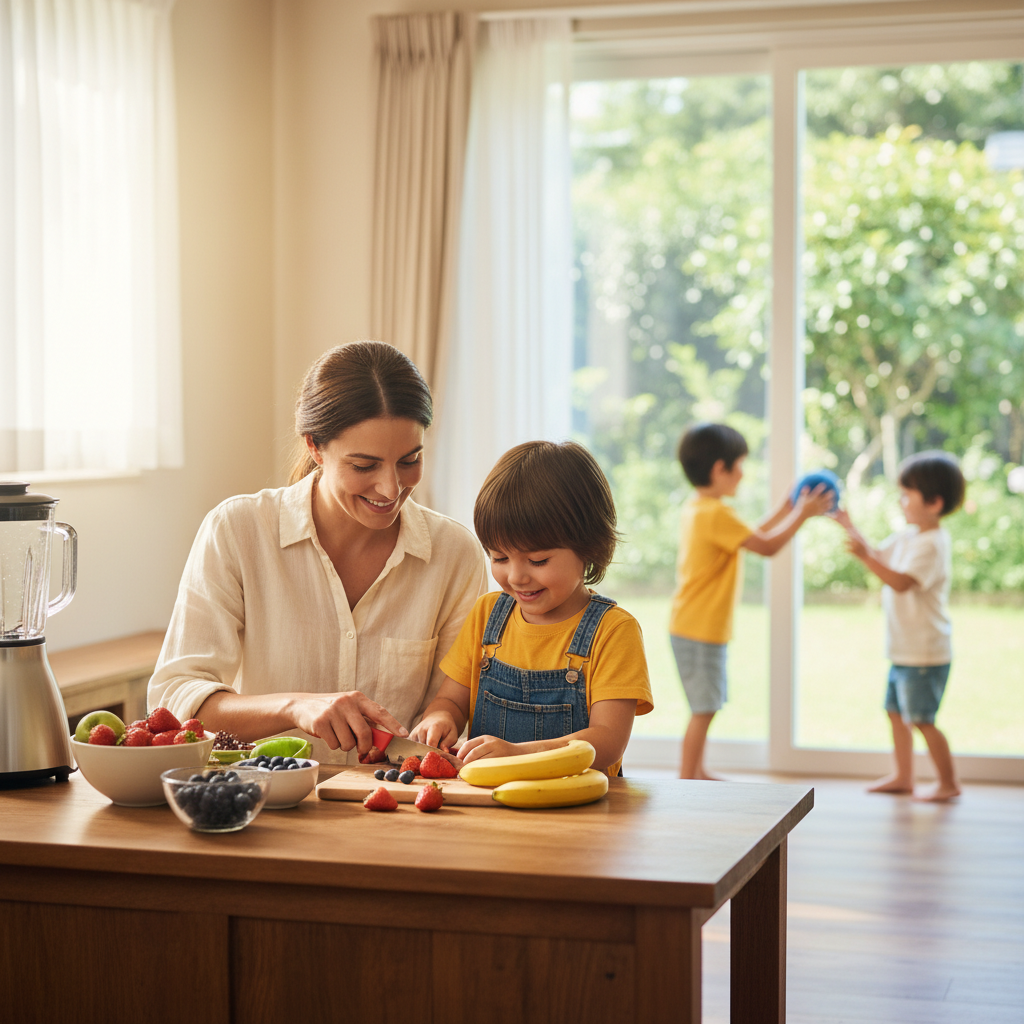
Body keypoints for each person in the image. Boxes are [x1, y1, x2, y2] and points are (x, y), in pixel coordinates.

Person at [148, 341, 490, 764]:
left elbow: (455, 701)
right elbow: (176, 697)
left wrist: (442, 719)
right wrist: (295, 707)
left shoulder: (455, 555)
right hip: (264, 804)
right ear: (314, 446)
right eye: (364, 466)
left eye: (409, 460)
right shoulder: (238, 531)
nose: (390, 488)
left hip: (396, 812)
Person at [411, 440, 654, 777]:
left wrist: (517, 754)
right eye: (499, 557)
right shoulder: (487, 614)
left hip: (580, 813)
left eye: (538, 560)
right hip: (490, 804)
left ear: (589, 545)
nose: (516, 576)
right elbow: (451, 701)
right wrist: (439, 718)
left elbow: (608, 740)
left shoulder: (613, 630)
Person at [671, 422, 833, 780]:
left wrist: (786, 507)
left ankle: (697, 772)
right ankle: (688, 778)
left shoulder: (702, 508)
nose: (743, 474)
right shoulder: (716, 513)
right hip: (698, 629)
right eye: (740, 465)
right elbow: (768, 546)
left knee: (706, 705)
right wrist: (801, 515)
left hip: (694, 626)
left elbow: (753, 534)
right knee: (704, 708)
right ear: (720, 469)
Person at [834, 451, 965, 802]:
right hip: (905, 649)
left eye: (908, 494)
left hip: (924, 653)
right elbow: (877, 553)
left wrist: (864, 557)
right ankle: (904, 776)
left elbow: (901, 582)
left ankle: (948, 782)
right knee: (894, 712)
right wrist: (847, 524)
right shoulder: (908, 537)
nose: (901, 500)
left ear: (934, 502)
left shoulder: (932, 545)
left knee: (922, 719)